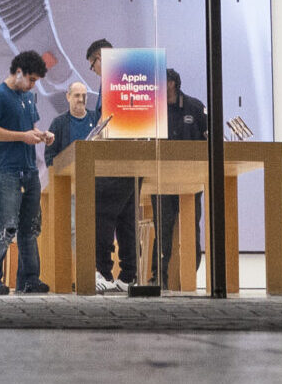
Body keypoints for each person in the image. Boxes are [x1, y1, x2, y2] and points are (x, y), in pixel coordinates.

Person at [0, 51, 54, 294]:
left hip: (29, 170)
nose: (33, 85)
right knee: (5, 225)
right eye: (31, 79)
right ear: (19, 72)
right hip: (6, 171)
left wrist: (42, 135)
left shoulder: (29, 98)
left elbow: (31, 128)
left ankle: (29, 279)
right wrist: (23, 137)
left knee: (30, 227)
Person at [45, 82, 118, 291]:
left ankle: (102, 273)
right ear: (68, 97)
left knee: (101, 229)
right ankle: (89, 273)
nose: (81, 99)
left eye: (85, 95)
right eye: (77, 95)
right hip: (72, 188)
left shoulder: (97, 121)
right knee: (77, 228)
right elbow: (50, 157)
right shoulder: (58, 124)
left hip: (98, 184)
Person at [83, 39, 139, 287]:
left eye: (92, 64)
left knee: (104, 215)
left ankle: (103, 272)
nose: (93, 69)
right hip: (129, 158)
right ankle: (128, 275)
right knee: (126, 219)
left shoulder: (116, 84)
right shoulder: (129, 81)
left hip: (115, 159)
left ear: (100, 57)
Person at [151, 66, 211, 287]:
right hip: (160, 180)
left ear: (171, 84)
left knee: (190, 231)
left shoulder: (194, 107)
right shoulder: (151, 109)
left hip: (190, 182)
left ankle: (189, 278)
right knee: (162, 232)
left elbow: (210, 140)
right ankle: (159, 278)